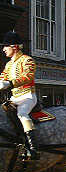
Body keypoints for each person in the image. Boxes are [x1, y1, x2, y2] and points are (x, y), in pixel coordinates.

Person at [0, 31, 40, 159]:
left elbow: (28, 77)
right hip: (14, 98)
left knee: (22, 114)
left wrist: (10, 84)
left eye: (5, 46)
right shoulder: (9, 64)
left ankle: (33, 148)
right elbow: (3, 77)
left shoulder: (27, 60)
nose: (3, 49)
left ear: (14, 47)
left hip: (27, 96)